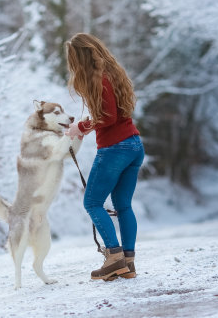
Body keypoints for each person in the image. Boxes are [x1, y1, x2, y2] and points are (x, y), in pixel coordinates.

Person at [64, 33, 144, 280]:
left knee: (92, 203)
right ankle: (127, 263)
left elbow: (107, 118)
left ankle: (114, 257)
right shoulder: (113, 74)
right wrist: (86, 124)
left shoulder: (99, 80)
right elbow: (113, 114)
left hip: (115, 148)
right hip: (133, 145)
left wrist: (81, 128)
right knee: (123, 206)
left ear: (81, 57)